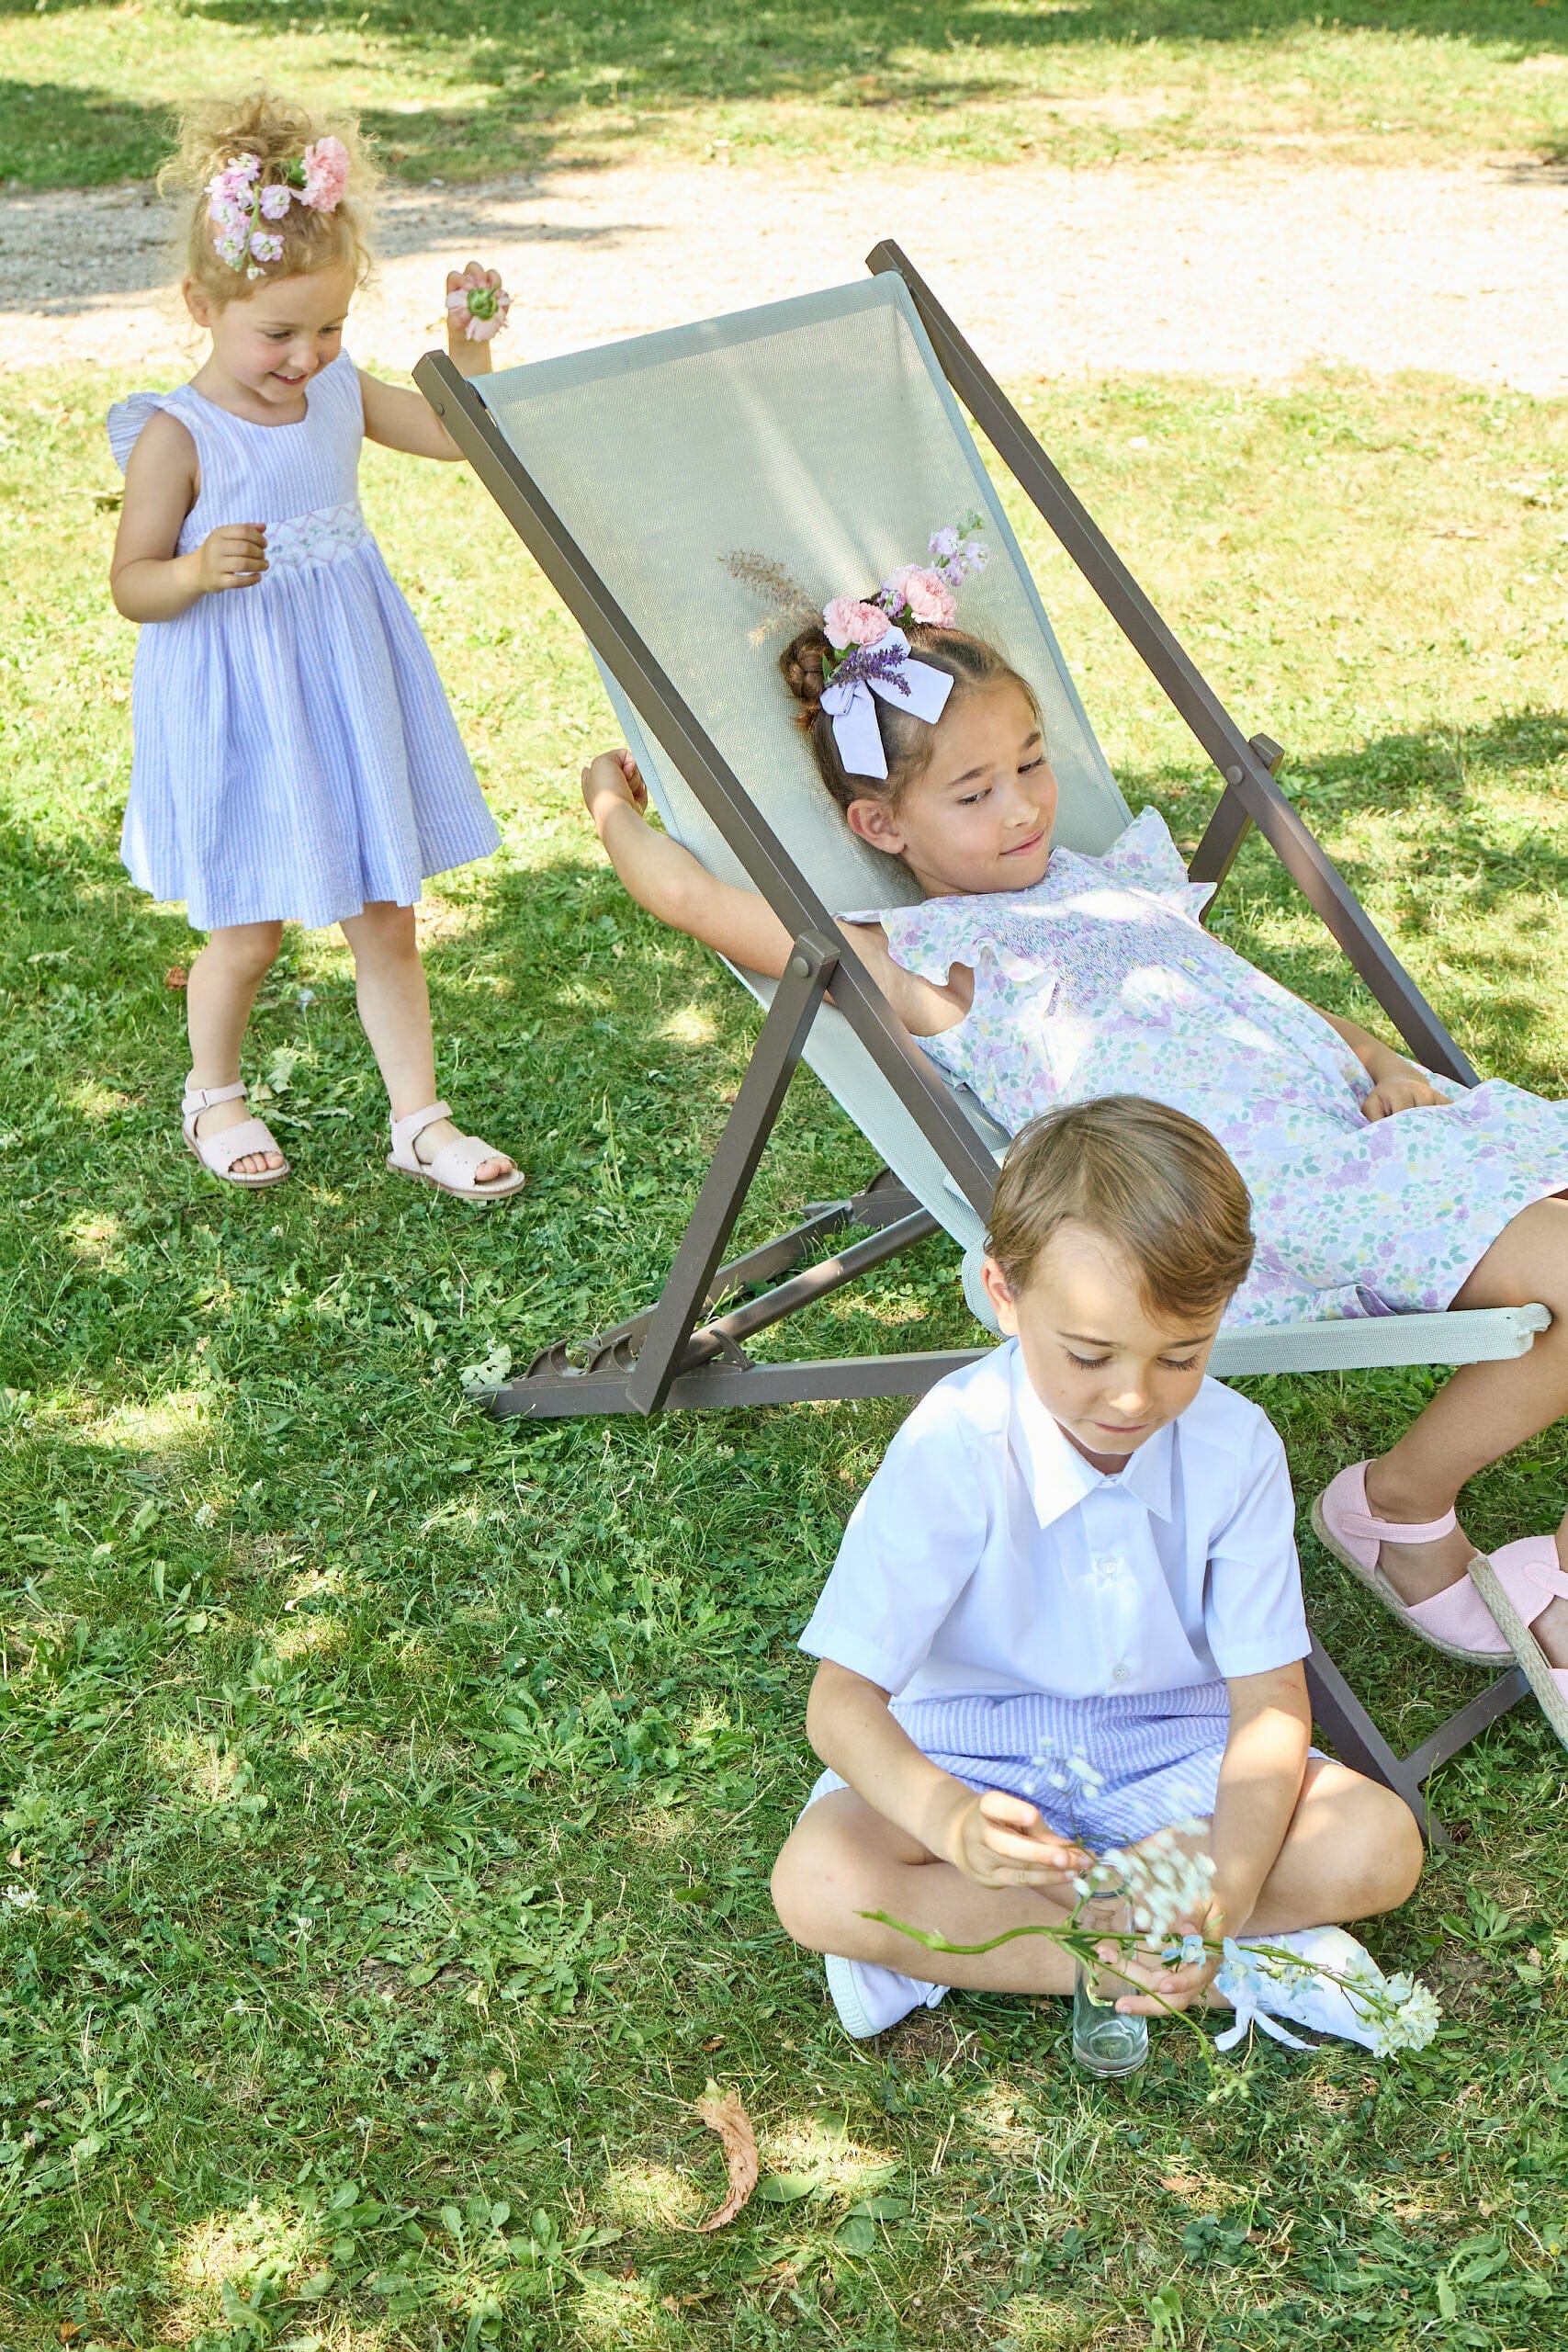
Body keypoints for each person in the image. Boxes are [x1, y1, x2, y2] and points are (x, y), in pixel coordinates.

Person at [579, 542, 1568, 1725]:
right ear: (878, 826)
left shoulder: (1111, 881)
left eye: (1033, 763)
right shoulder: (931, 964)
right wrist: (607, 806)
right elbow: (695, 900)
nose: (1026, 804)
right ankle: (1399, 1507)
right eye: (974, 791)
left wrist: (1378, 1054)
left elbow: (1239, 990)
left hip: (1347, 1127)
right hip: (1244, 1190)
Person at [767, 1095, 1425, 2041]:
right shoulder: (955, 1441)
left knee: (1377, 1844)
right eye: (1089, 1353)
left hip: (1176, 1755)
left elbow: (1271, 1697)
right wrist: (948, 1818)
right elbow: (840, 1704)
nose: (1132, 1396)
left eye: (1181, 1356)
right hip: (973, 1747)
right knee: (821, 1877)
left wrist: (1228, 1886)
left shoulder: (1235, 1446)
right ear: (1003, 1293)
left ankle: (1040, 1947)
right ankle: (1219, 1962)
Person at [108, 91, 524, 1200]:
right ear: (203, 303)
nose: (307, 356)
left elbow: (455, 438)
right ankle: (215, 1093)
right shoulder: (177, 434)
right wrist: (194, 571)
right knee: (247, 928)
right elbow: (132, 583)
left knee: (384, 912)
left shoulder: (337, 388)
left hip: (341, 680)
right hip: (242, 697)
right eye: (279, 333)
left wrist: (466, 351)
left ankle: (420, 1120)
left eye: (330, 326)